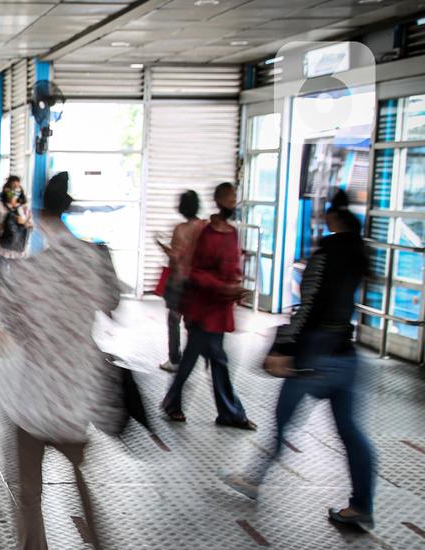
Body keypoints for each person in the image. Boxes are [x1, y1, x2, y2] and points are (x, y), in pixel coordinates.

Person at [0, 171, 122, 550]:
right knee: (85, 489)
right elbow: (113, 304)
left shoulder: (25, 273)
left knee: (28, 494)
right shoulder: (97, 258)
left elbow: (6, 334)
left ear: (38, 215)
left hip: (30, 403)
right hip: (78, 398)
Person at [224, 190, 376, 529]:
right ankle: (362, 506)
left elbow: (308, 305)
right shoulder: (358, 252)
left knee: (282, 420)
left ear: (333, 219)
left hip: (314, 352)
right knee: (351, 432)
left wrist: (285, 348)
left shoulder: (327, 252)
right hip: (345, 353)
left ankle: (252, 480)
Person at [159, 182, 255, 430]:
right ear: (219, 201)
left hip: (218, 309)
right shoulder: (205, 233)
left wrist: (234, 288)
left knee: (199, 358)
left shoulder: (231, 234)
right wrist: (222, 287)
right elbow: (196, 271)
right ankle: (229, 412)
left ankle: (175, 403)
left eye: (236, 200)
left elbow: (231, 268)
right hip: (202, 308)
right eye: (230, 200)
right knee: (215, 360)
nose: (234, 205)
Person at [156, 191, 205, 373]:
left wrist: (162, 246)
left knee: (174, 320)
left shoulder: (181, 229)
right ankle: (192, 358)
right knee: (192, 323)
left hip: (180, 282)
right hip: (198, 283)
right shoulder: (205, 227)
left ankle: (175, 360)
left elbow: (175, 256)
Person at [0, 175, 31, 274]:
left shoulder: (24, 208)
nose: (16, 190)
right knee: (3, 280)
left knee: (16, 281)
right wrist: (3, 226)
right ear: (7, 190)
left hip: (19, 249)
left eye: (18, 187)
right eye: (13, 187)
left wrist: (23, 222)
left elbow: (31, 226)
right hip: (1, 249)